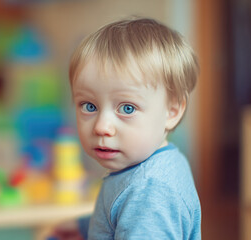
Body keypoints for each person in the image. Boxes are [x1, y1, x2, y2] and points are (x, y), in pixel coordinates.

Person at [54, 17, 201, 239]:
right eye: (89, 106)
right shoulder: (152, 165)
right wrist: (84, 226)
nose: (102, 127)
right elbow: (123, 215)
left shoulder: (151, 192)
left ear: (172, 111)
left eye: (127, 108)